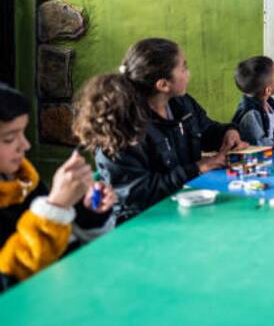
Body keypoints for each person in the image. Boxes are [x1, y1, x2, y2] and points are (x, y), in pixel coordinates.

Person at [94, 38, 247, 224]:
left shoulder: (180, 103)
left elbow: (205, 129)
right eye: (183, 68)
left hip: (184, 208)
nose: (188, 74)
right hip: (141, 222)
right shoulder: (124, 126)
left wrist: (228, 133)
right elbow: (138, 193)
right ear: (163, 85)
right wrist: (198, 168)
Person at [0, 84, 115, 293]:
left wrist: (86, 209)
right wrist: (55, 208)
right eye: (9, 138)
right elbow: (8, 284)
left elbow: (70, 243)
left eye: (23, 133)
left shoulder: (23, 180)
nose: (25, 145)